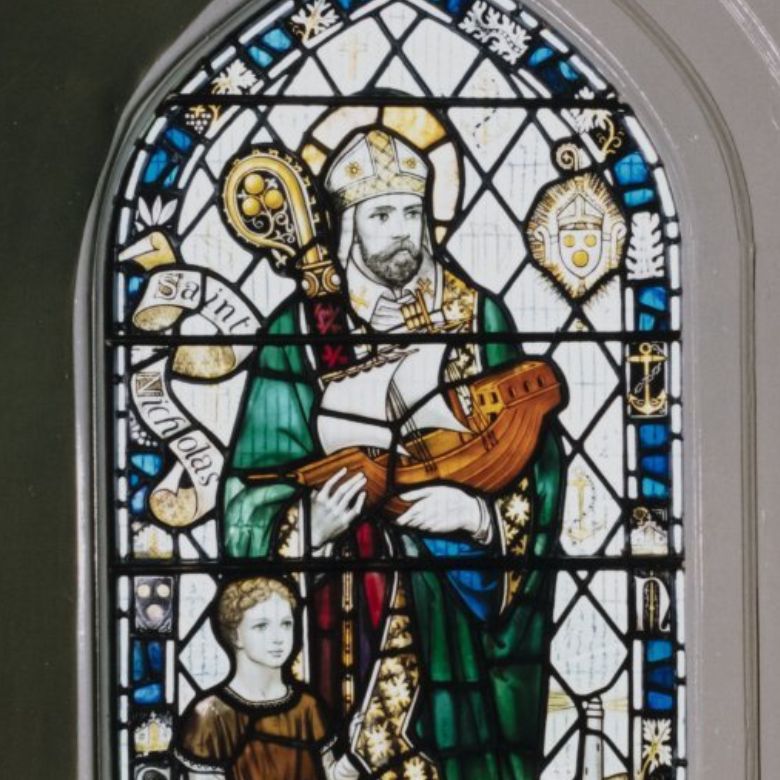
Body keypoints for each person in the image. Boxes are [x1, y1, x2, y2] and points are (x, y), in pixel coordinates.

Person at [222, 128, 565, 779]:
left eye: (413, 212)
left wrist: (476, 517)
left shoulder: (477, 318)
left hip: (458, 635)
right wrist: (306, 527)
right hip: (341, 626)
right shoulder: (297, 334)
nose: (402, 230)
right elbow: (249, 489)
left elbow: (537, 463)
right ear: (347, 227)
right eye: (381, 215)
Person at [177, 577, 356, 780]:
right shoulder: (210, 716)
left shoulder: (308, 707)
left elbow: (331, 777)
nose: (278, 638)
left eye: (286, 624)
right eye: (262, 626)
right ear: (236, 635)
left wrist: (358, 753)